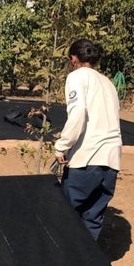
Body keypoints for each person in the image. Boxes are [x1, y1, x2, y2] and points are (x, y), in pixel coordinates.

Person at [54, 39, 122, 241]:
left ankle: (61, 265)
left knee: (65, 216)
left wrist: (62, 146)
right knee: (92, 219)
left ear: (74, 58)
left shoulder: (77, 77)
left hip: (86, 161)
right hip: (110, 162)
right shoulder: (107, 82)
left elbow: (79, 113)